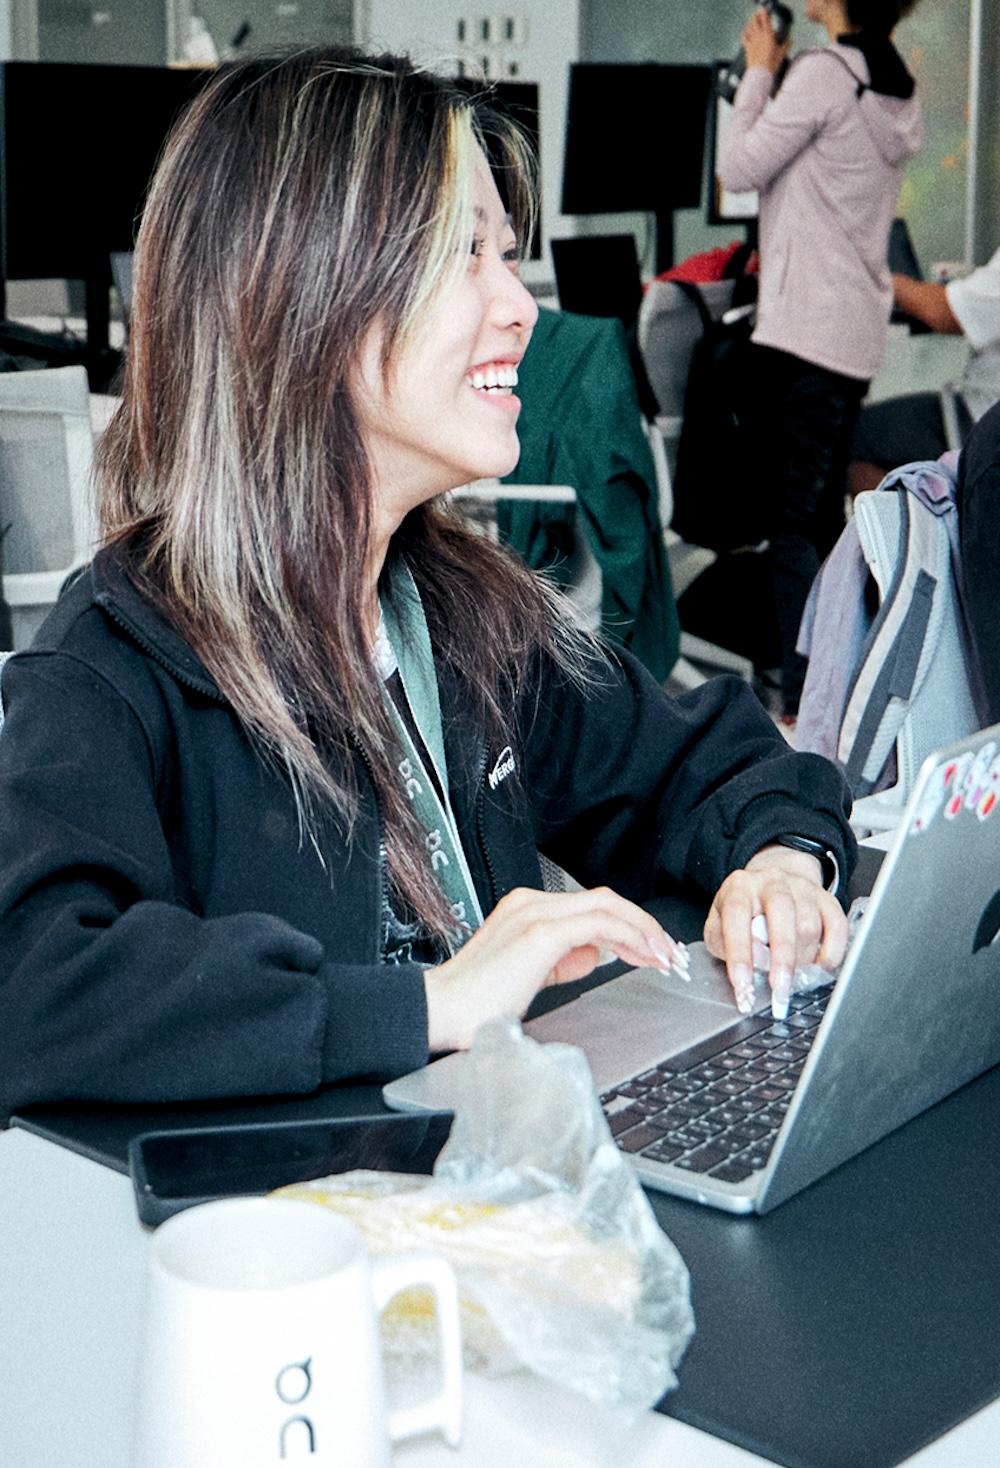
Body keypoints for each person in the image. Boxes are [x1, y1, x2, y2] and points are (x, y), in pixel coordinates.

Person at [0, 48, 856, 1114]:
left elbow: (704, 764)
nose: (519, 306)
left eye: (509, 256)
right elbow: (35, 985)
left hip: (482, 1176)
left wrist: (781, 863)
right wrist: (430, 1002)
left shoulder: (460, 615)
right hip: (301, 1209)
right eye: (465, 256)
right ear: (301, 298)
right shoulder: (113, 656)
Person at [719, 0, 922, 718]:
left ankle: (807, 706)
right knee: (824, 519)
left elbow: (737, 168)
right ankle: (846, 685)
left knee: (790, 529)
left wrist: (757, 72)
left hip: (802, 335)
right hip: (850, 337)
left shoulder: (824, 75)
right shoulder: (894, 87)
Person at [850, 250, 1000, 495]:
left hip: (983, 421)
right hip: (982, 408)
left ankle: (917, 520)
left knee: (860, 437)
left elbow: (945, 312)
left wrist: (887, 281)